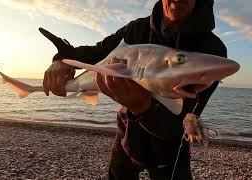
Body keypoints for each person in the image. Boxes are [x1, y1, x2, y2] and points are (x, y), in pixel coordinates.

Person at [41, 0, 226, 179]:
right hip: (128, 133)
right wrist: (63, 58)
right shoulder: (137, 29)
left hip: (170, 146)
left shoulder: (212, 54)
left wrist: (142, 106)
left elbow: (184, 121)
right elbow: (99, 52)